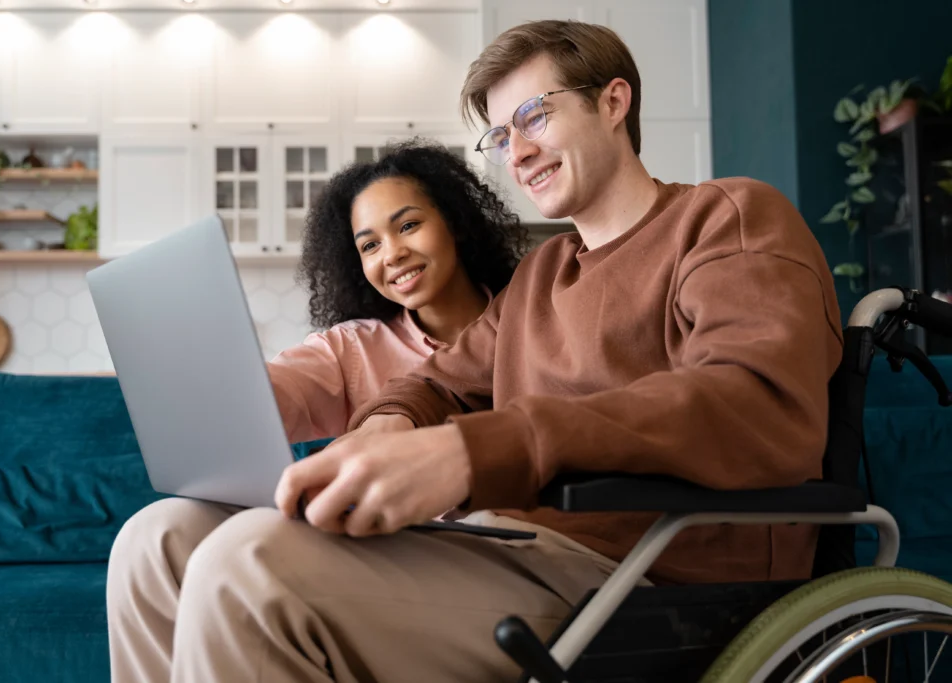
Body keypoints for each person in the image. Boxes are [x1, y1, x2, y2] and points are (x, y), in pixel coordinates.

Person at [106, 20, 843, 683]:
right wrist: (390, 425)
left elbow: (755, 401)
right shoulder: (545, 273)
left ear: (614, 102)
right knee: (156, 540)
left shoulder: (727, 218)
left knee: (247, 565)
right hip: (517, 549)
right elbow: (439, 384)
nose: (517, 152)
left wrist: (470, 453)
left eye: (536, 116)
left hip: (649, 577)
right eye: (500, 136)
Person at [267, 140, 529, 443]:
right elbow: (276, 392)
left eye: (408, 226)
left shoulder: (531, 317)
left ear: (454, 222)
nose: (392, 255)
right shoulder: (350, 349)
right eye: (370, 245)